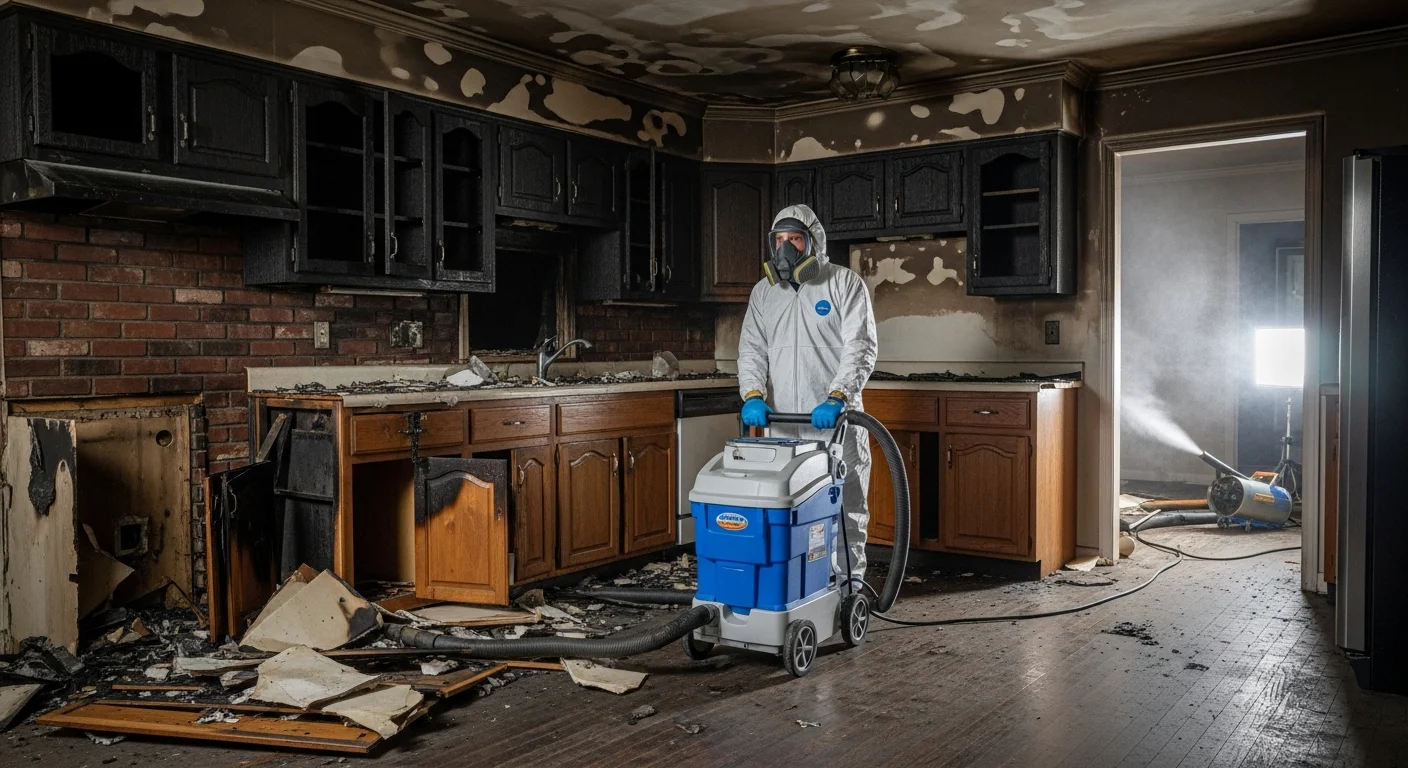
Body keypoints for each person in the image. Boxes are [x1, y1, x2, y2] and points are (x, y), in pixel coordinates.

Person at [736, 204, 878, 590]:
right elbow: (752, 349)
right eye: (779, 240)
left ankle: (851, 588)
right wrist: (752, 393)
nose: (785, 249)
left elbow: (860, 347)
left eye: (794, 239)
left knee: (845, 509)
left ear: (813, 242)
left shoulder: (844, 284)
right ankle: (802, 585)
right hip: (785, 428)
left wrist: (838, 396)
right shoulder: (764, 293)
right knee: (791, 510)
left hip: (836, 424)